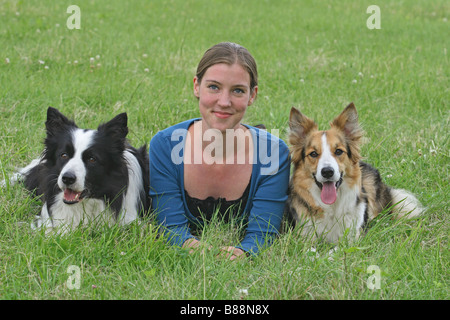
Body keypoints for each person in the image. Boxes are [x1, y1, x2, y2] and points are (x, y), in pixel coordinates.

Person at [149, 42, 290, 260]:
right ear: (196, 86)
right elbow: (170, 227)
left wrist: (244, 253)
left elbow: (263, 234)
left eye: (238, 91)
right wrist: (195, 248)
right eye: (213, 87)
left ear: (252, 95)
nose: (224, 102)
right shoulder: (165, 146)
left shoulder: (273, 153)